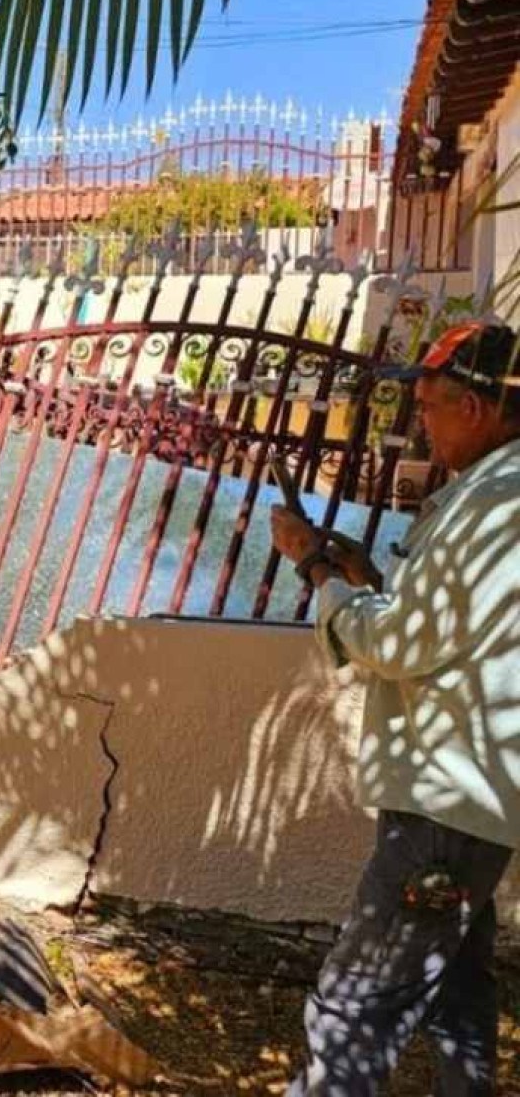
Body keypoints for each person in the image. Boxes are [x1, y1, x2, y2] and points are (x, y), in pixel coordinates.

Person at [270, 319, 520, 1095]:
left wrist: (319, 571)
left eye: (432, 406)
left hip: (444, 806)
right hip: (469, 801)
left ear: (476, 409)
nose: (423, 423)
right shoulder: (496, 491)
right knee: (458, 999)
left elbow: (404, 645)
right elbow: (452, 627)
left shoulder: (494, 503)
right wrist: (371, 577)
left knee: (352, 1010)